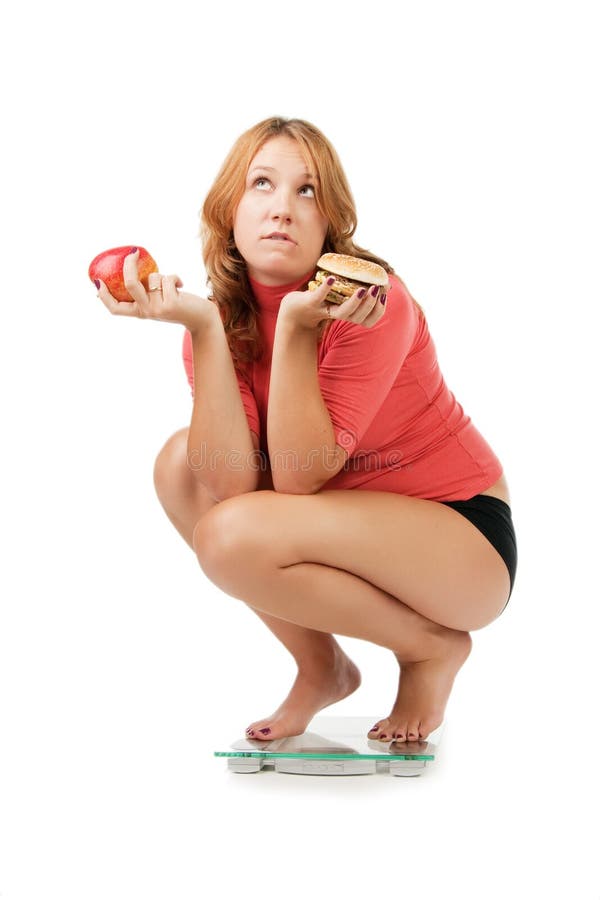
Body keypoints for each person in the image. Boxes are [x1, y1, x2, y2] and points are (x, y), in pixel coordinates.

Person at [96, 116, 517, 745]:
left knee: (233, 531)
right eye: (262, 184)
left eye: (307, 191)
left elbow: (297, 477)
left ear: (330, 223)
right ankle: (322, 667)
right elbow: (229, 480)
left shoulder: (372, 304)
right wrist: (204, 328)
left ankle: (430, 649)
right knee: (180, 465)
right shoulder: (224, 317)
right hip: (339, 521)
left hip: (460, 539)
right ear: (228, 210)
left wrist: (296, 329)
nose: (283, 209)